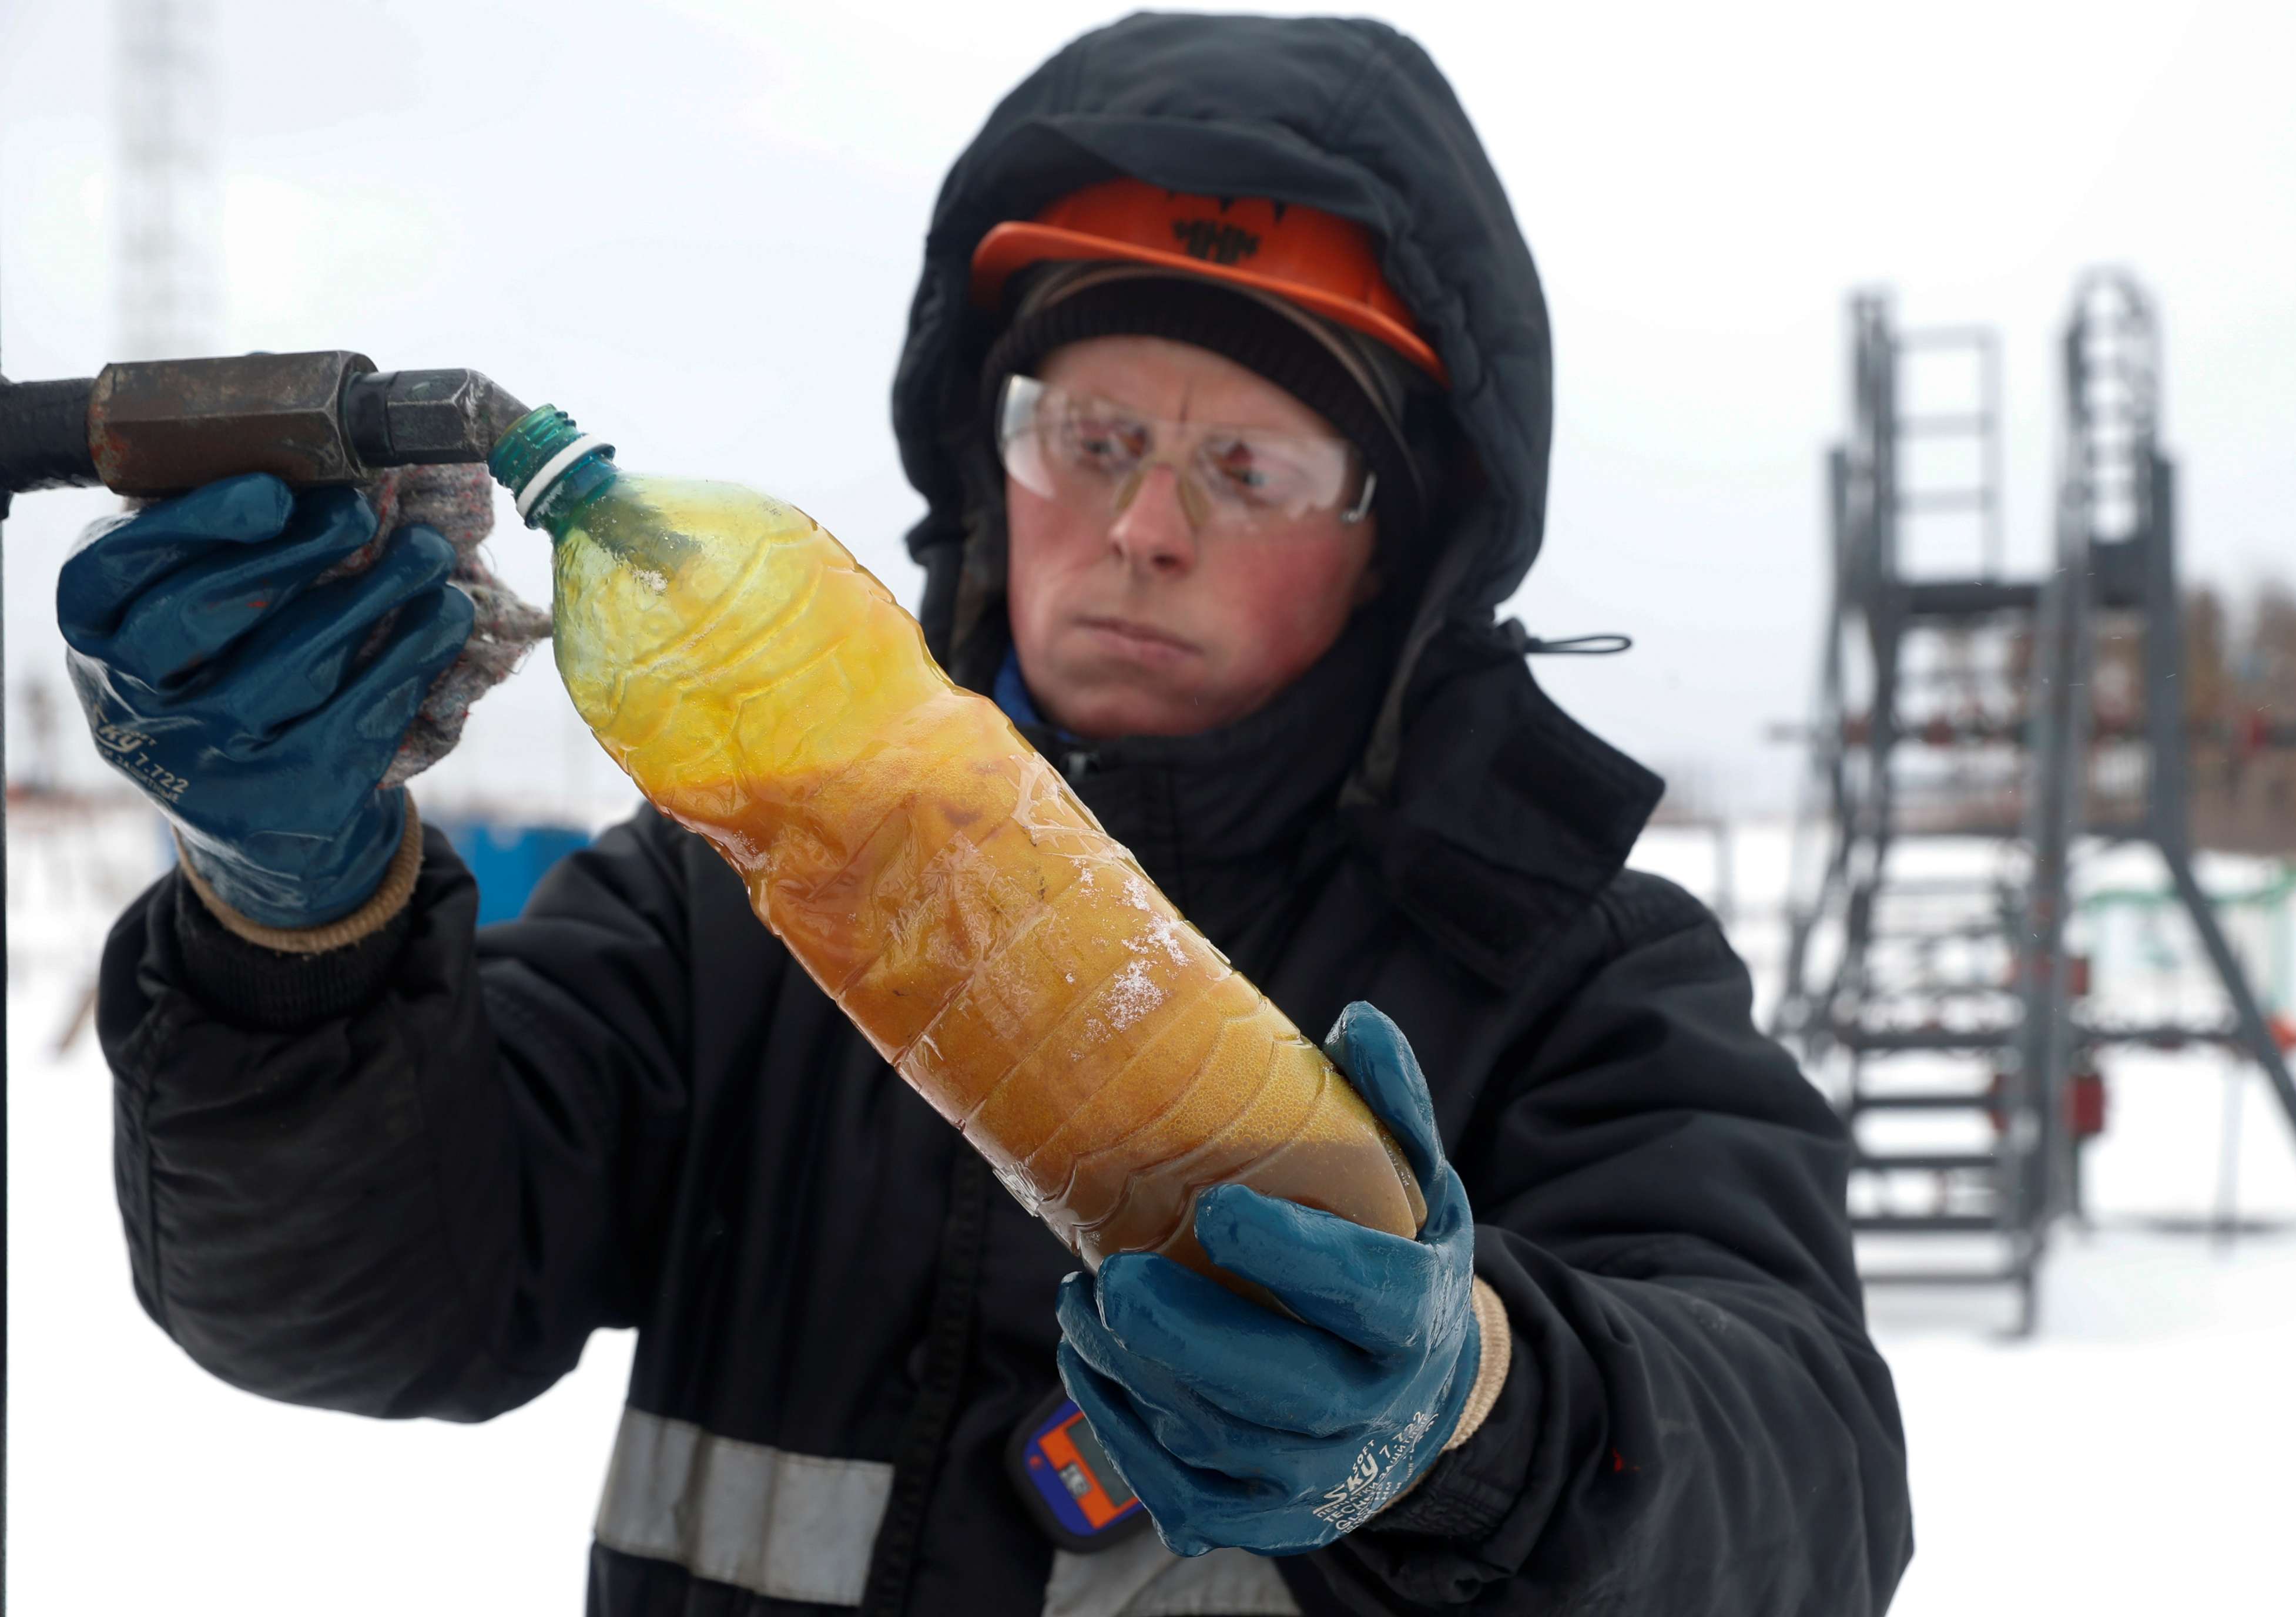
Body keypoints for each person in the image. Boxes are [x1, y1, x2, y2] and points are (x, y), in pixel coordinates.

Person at [66, 14, 1910, 1616]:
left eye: (1250, 465)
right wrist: (288, 922)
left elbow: (1803, 1504)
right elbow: (368, 1297)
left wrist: (1483, 1413)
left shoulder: (1570, 962)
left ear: (1400, 543)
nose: (1143, 527)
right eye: (1089, 434)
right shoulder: (736, 893)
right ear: (987, 452)